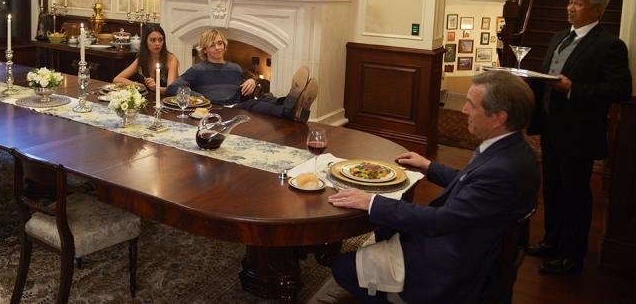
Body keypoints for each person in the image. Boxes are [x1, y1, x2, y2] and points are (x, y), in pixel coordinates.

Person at [328, 70, 540, 303]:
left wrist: (371, 202)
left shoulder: (501, 171)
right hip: (470, 242)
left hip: (454, 265)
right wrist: (428, 166)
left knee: (341, 268)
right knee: (384, 225)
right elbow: (470, 181)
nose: (464, 110)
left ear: (499, 117)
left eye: (471, 105)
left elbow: (440, 221)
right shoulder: (513, 150)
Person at [526, 0, 631, 275]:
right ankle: (551, 241)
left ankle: (571, 256)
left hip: (579, 133)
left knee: (575, 194)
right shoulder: (559, 36)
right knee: (553, 188)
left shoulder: (609, 45)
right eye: (570, 1)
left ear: (597, 10)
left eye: (578, 3)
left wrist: (574, 89)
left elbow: (620, 89)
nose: (570, 8)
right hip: (551, 127)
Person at [166, 28, 318, 123]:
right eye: (212, 45)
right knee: (253, 105)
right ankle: (292, 108)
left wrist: (252, 81)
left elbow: (255, 81)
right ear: (204, 50)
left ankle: (294, 104)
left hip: (237, 103)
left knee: (266, 99)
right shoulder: (197, 69)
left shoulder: (235, 68)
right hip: (222, 109)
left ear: (224, 45)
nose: (218, 48)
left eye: (220, 43)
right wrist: (199, 97)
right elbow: (173, 87)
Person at [112, 24, 179, 94]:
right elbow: (117, 79)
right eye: (153, 40)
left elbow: (171, 90)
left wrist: (156, 88)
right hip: (147, 98)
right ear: (145, 42)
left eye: (160, 40)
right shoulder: (142, 57)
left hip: (165, 99)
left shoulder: (171, 60)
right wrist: (136, 85)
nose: (157, 43)